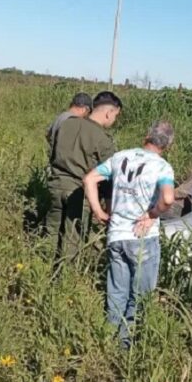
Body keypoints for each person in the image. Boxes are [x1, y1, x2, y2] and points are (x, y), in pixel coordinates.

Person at [82, 121, 176, 349]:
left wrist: (98, 210)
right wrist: (152, 214)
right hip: (143, 237)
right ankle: (127, 346)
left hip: (116, 234)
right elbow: (168, 199)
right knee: (140, 295)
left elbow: (89, 179)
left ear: (147, 135)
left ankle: (108, 338)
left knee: (116, 291)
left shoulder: (120, 157)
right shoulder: (162, 167)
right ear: (168, 145)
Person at [46, 91, 122, 279]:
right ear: (108, 113)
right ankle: (64, 282)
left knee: (51, 232)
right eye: (115, 116)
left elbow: (52, 150)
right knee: (72, 240)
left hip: (55, 185)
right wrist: (107, 205)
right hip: (79, 193)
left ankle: (42, 270)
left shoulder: (66, 123)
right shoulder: (103, 140)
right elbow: (108, 178)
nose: (113, 120)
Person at [45, 92, 94, 160]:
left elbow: (48, 134)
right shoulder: (74, 122)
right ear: (84, 109)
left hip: (54, 162)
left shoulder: (60, 117)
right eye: (87, 113)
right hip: (63, 166)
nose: (86, 117)